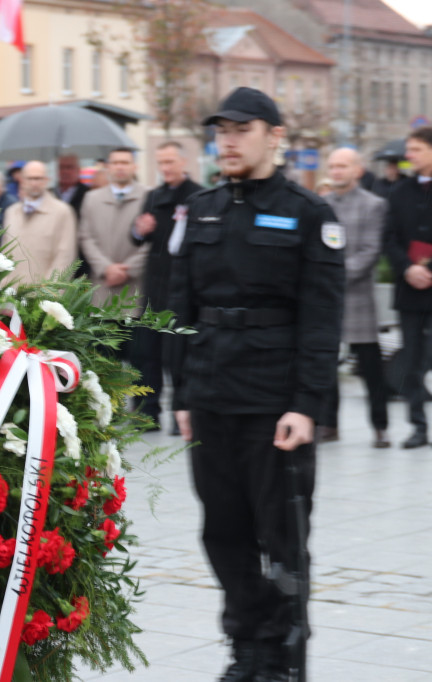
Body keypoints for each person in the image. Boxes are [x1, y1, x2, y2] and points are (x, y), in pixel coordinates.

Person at [170, 87, 344, 681]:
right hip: (213, 398)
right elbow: (182, 307)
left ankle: (283, 655)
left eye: (242, 129)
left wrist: (306, 405)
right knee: (224, 534)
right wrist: (183, 396)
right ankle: (246, 648)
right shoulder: (203, 208)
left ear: (275, 135)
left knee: (282, 536)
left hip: (274, 406)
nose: (228, 140)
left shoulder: (309, 213)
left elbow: (324, 321)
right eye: (221, 130)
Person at [316, 148, 390, 448]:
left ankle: (380, 427)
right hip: (326, 300)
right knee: (325, 366)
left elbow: (371, 251)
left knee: (371, 368)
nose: (336, 172)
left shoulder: (374, 205)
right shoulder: (320, 205)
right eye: (332, 166)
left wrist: (334, 276)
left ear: (357, 170)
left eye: (343, 166)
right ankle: (329, 424)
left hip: (359, 300)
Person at [131, 141, 203, 433]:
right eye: (161, 163)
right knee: (147, 352)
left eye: (171, 162)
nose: (166, 168)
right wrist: (139, 230)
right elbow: (136, 237)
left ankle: (181, 413)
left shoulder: (197, 195)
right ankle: (148, 413)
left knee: (180, 353)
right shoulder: (153, 196)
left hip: (184, 286)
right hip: (155, 285)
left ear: (183, 162)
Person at [384, 126, 432, 449]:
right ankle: (418, 425)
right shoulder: (399, 192)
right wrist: (407, 268)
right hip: (410, 289)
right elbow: (389, 238)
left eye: (414, 149)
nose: (408, 155)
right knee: (412, 359)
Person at [79, 147, 148, 311]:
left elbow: (153, 241)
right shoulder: (92, 199)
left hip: (135, 290)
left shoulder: (149, 196)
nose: (120, 167)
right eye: (115, 163)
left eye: (125, 162)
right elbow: (85, 237)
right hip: (102, 290)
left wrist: (128, 270)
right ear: (108, 167)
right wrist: (105, 268)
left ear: (135, 166)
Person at [0, 161, 77, 284]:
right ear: (22, 181)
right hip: (11, 294)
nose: (34, 183)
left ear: (47, 180)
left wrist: (49, 294)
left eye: (39, 178)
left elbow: (64, 258)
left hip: (43, 295)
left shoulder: (62, 212)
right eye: (30, 179)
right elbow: (6, 253)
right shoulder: (11, 212)